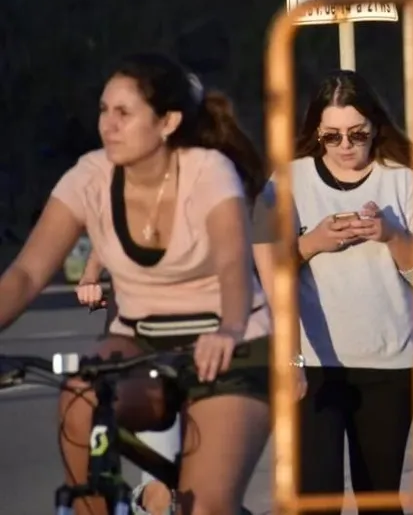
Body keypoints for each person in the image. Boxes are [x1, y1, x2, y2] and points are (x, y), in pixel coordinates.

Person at [0, 52, 272, 515]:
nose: (108, 124)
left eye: (124, 113)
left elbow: (231, 263)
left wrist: (227, 329)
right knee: (82, 400)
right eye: (104, 110)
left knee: (202, 506)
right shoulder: (90, 176)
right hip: (141, 339)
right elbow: (25, 274)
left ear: (167, 122)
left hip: (232, 343)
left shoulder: (207, 171)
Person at [73, 89, 300, 513]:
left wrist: (292, 361)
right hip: (146, 354)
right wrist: (90, 275)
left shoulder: (250, 196)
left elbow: (274, 284)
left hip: (227, 359)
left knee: (205, 499)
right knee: (158, 490)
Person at [285, 70, 413, 515]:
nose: (345, 146)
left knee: (377, 498)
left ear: (376, 126)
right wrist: (311, 242)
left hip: (389, 361)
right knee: (315, 499)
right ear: (316, 133)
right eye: (331, 136)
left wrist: (393, 234)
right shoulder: (285, 181)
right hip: (312, 362)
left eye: (357, 134)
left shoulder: (405, 181)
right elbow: (259, 268)